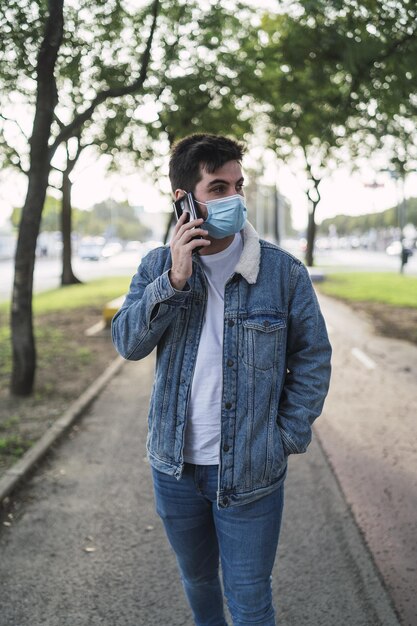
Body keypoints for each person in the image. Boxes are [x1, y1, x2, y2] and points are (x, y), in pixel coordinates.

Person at [111, 133, 332, 626]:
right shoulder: (156, 266)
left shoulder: (282, 272)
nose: (234, 198)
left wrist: (285, 436)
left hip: (251, 471)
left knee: (251, 600)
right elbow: (128, 344)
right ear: (184, 198)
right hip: (175, 468)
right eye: (217, 187)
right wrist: (174, 280)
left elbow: (313, 359)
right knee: (199, 581)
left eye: (238, 185)